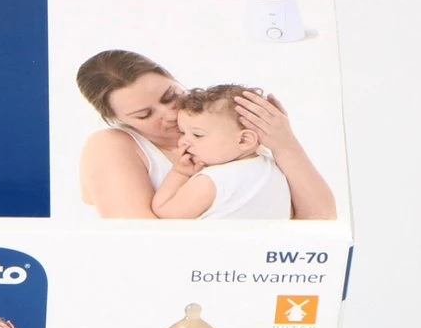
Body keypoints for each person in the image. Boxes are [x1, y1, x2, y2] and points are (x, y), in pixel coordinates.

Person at [75, 49, 336, 220]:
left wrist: (284, 142)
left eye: (170, 96)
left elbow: (321, 220)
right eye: (144, 115)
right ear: (117, 120)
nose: (169, 114)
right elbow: (142, 241)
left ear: (172, 77)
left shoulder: (226, 129)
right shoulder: (110, 146)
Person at [151, 85, 292, 219]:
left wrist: (179, 172)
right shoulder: (275, 167)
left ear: (244, 140)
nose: (183, 142)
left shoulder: (209, 181)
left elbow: (164, 210)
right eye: (182, 132)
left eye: (198, 135)